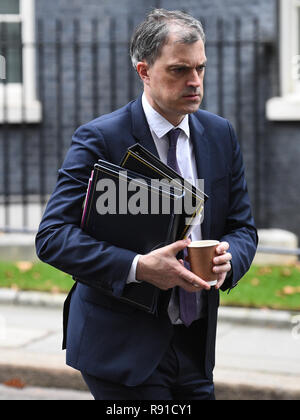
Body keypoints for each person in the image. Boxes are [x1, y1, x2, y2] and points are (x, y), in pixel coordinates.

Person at [35, 9, 257, 400]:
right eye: (179, 70)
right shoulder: (100, 139)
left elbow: (242, 227)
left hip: (194, 344)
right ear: (144, 70)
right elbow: (53, 237)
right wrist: (139, 268)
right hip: (120, 348)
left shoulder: (221, 134)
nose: (195, 82)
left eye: (200, 69)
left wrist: (231, 258)